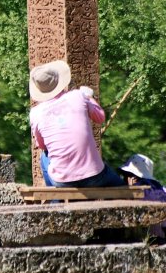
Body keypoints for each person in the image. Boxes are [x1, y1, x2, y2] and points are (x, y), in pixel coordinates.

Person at [29, 60, 124, 188]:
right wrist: (89, 97)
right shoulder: (78, 96)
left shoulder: (35, 113)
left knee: (44, 156)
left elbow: (42, 145)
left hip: (62, 181)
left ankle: (55, 197)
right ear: (59, 82)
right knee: (121, 186)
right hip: (95, 175)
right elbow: (100, 118)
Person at [118, 154, 166, 239]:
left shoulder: (139, 193)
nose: (124, 180)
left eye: (125, 176)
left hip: (159, 238)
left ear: (133, 178)